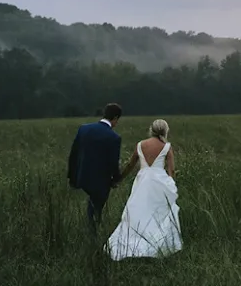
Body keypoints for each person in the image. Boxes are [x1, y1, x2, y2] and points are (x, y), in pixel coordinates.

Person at [107, 119, 182, 259]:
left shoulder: (140, 145)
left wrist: (119, 179)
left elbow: (130, 165)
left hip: (142, 181)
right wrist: (172, 185)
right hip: (160, 183)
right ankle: (156, 242)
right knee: (157, 213)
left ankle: (133, 241)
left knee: (138, 210)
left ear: (151, 130)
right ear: (165, 131)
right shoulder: (167, 147)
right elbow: (171, 170)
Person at [67, 103, 123, 232]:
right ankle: (92, 232)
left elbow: (74, 154)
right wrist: (116, 179)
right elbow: (113, 163)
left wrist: (72, 177)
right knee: (96, 208)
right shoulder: (114, 137)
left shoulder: (84, 129)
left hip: (82, 176)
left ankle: (92, 229)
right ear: (115, 118)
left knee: (93, 205)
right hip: (100, 181)